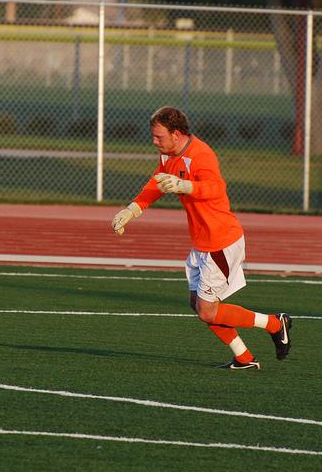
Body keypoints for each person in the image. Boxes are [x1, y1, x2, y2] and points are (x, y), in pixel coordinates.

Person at [111, 106, 292, 370]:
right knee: (198, 304)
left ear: (175, 133)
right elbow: (156, 182)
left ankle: (276, 324)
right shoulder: (168, 154)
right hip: (201, 242)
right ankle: (244, 358)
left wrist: (186, 186)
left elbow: (216, 187)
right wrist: (133, 209)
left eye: (158, 136)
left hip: (221, 241)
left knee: (207, 310)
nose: (154, 141)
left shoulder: (201, 154)